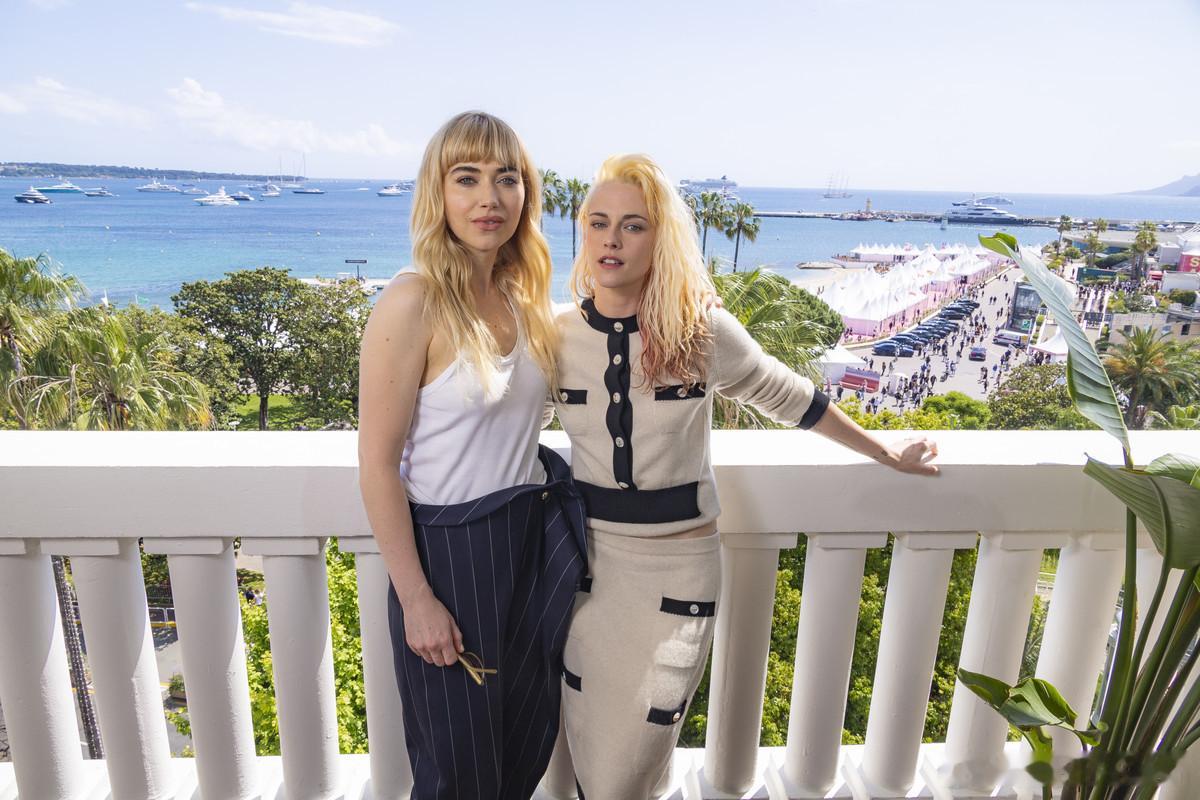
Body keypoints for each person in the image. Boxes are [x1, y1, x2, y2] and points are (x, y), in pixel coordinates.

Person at [551, 154, 939, 799]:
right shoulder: (555, 336)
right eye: (598, 222)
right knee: (591, 755)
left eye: (633, 225)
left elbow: (792, 397)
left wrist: (884, 452)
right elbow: (500, 418)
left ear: (660, 238)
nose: (611, 239)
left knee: (632, 763)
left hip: (677, 576)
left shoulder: (700, 330)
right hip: (588, 576)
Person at [358, 111, 587, 800]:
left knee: (521, 747)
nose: (489, 198)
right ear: (439, 193)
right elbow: (377, 466)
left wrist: (682, 300)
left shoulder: (524, 297)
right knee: (458, 771)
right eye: (467, 179)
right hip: (450, 562)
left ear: (525, 193)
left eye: (506, 179)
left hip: (527, 546)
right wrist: (417, 599)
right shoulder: (411, 302)